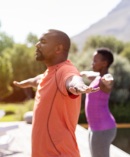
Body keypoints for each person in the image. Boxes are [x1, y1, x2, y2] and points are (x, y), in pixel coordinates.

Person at [13, 29, 99, 157]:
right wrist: (25, 83)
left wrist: (80, 86)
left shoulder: (65, 70)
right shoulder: (49, 73)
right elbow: (37, 80)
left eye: (43, 41)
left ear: (58, 49)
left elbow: (73, 79)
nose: (37, 45)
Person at [80, 48, 116, 157]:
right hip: (94, 127)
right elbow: (88, 73)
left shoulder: (104, 80)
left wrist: (109, 80)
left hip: (103, 128)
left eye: (95, 61)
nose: (92, 63)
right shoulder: (97, 77)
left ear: (104, 63)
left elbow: (109, 80)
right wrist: (79, 73)